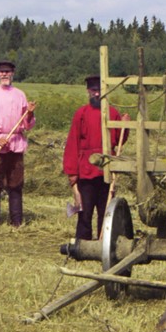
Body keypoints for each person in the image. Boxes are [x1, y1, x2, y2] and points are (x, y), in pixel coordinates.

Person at [62, 74, 129, 241]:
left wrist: (124, 125)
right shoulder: (81, 114)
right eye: (93, 90)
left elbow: (120, 140)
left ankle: (103, 242)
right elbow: (72, 143)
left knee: (105, 210)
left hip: (106, 170)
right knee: (84, 211)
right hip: (86, 170)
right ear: (88, 91)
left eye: (100, 90)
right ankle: (83, 243)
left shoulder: (112, 113)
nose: (97, 94)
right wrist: (72, 174)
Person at [0, 58, 34, 227]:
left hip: (16, 143)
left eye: (8, 72)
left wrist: (30, 114)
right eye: (2, 71)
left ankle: (16, 221)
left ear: (12, 74)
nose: (4, 74)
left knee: (15, 183)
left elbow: (27, 123)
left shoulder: (20, 95)